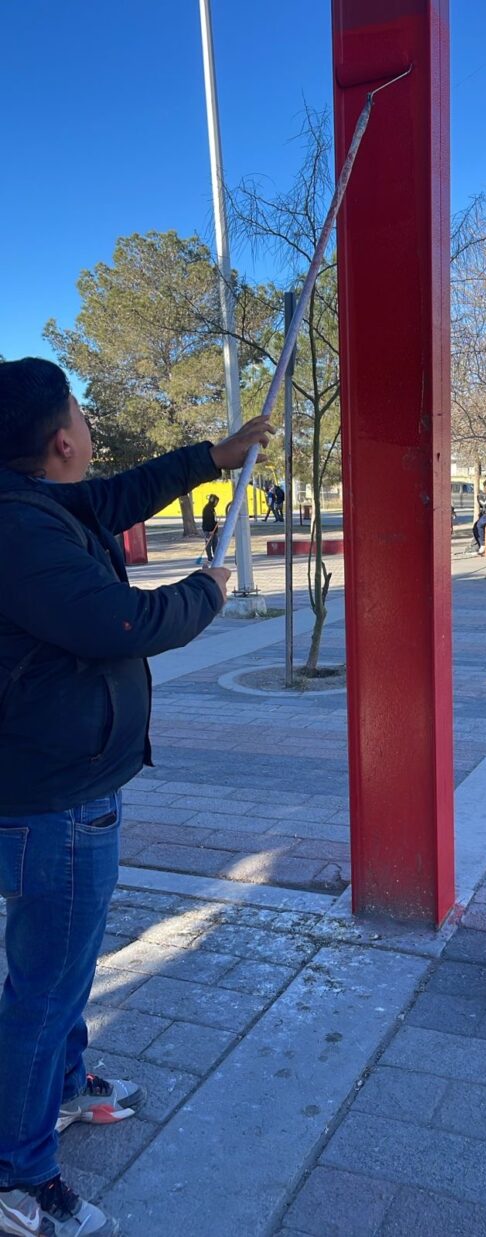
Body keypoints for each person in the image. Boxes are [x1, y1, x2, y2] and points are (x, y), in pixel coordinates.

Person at [0, 357, 273, 1237]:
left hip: (71, 788)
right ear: (61, 440)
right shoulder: (19, 531)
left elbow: (114, 497)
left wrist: (211, 457)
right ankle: (19, 1173)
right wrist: (206, 592)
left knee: (64, 972)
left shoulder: (38, 503)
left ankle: (62, 1089)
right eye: (81, 412)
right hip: (53, 804)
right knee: (44, 988)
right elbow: (124, 623)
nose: (89, 425)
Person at [201, 492, 220, 562]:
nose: (216, 503)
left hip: (214, 530)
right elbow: (208, 520)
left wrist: (215, 526)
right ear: (212, 500)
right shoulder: (207, 509)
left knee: (215, 543)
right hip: (209, 530)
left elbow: (213, 519)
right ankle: (210, 557)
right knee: (209, 544)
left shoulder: (212, 509)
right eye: (216, 501)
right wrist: (210, 530)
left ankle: (216, 556)